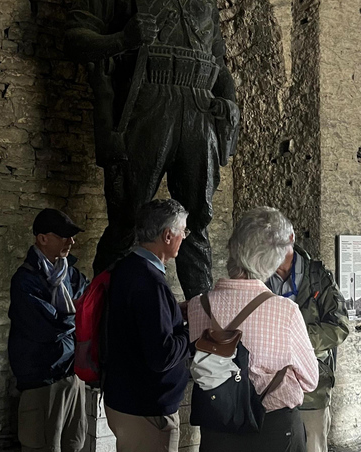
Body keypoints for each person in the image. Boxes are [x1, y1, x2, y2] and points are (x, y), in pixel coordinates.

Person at [65, 0, 239, 299]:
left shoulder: (205, 4)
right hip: (146, 102)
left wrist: (230, 102)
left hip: (200, 108)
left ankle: (201, 319)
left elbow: (219, 65)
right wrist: (122, 40)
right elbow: (74, 39)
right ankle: (106, 316)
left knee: (196, 225)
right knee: (127, 221)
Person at [188, 207, 319, 452]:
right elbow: (310, 379)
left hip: (218, 431)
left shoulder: (198, 306)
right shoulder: (284, 311)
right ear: (272, 257)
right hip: (273, 433)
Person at [102, 199, 191, 452]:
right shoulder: (149, 281)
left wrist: (172, 314)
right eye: (183, 231)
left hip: (126, 401)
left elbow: (137, 328)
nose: (186, 236)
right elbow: (161, 355)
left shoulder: (128, 267)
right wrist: (191, 334)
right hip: (147, 411)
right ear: (167, 236)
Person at [7, 208, 89, 452]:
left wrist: (76, 317)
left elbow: (87, 303)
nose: (70, 242)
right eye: (64, 236)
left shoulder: (70, 273)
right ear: (42, 238)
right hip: (41, 381)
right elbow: (47, 328)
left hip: (71, 376)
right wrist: (78, 319)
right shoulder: (25, 282)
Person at [266, 241, 349, 452]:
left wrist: (296, 338)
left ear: (288, 240)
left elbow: (339, 327)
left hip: (311, 389)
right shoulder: (260, 274)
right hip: (270, 387)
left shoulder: (318, 277)